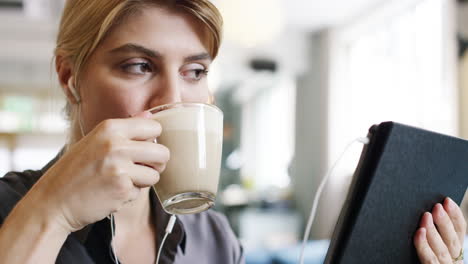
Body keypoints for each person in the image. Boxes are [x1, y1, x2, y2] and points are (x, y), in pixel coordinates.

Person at [0, 1, 465, 264]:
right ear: (69, 76)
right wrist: (53, 211)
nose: (174, 99)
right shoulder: (10, 210)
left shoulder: (212, 237)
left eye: (195, 71)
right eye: (138, 66)